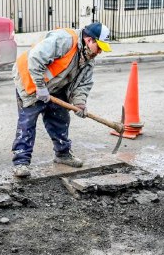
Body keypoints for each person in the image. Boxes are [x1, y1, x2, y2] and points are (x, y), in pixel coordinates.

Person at [11, 22, 111, 178]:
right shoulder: (65, 39)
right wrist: (40, 86)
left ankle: (62, 154)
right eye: (99, 47)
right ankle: (21, 162)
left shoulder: (88, 58)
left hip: (56, 86)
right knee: (27, 122)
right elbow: (36, 58)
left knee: (60, 118)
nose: (99, 52)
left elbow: (83, 84)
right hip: (29, 81)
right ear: (89, 40)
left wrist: (79, 103)